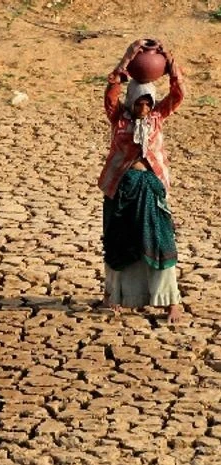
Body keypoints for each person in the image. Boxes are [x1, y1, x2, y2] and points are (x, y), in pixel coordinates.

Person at [99, 40, 185, 323]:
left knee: (160, 241)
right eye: (139, 102)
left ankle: (170, 301)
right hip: (122, 189)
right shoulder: (119, 118)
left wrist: (171, 65)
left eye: (148, 102)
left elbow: (177, 95)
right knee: (119, 242)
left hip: (151, 188)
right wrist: (126, 62)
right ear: (132, 100)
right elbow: (111, 91)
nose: (144, 107)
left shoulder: (159, 117)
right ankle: (114, 296)